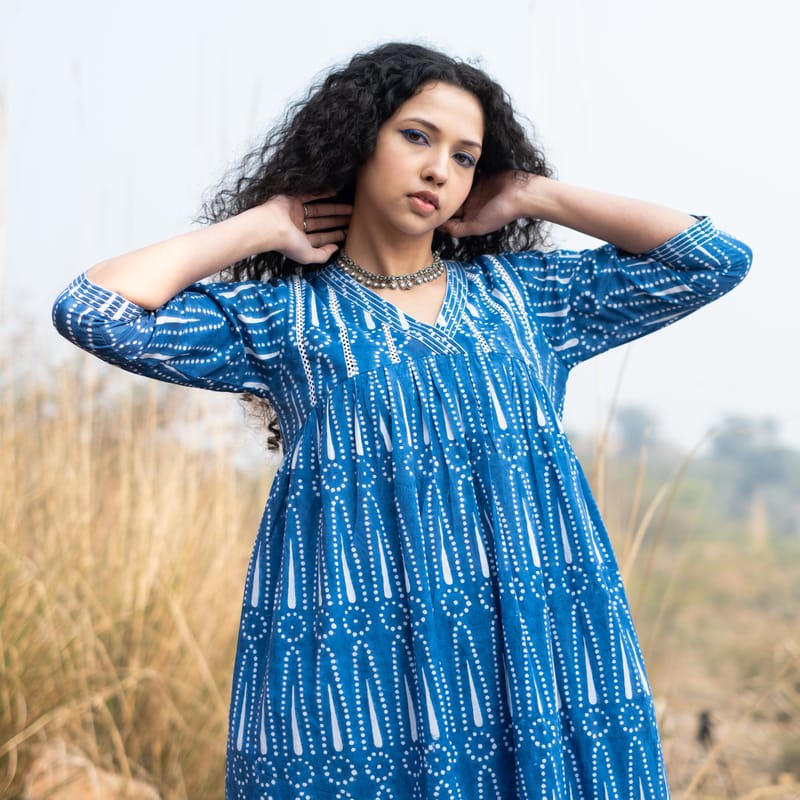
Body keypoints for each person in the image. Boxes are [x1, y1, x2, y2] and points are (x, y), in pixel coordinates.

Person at [52, 42, 751, 800]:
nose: (439, 170)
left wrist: (532, 194)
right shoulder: (287, 317)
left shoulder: (528, 299)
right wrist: (264, 225)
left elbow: (714, 258)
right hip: (362, 649)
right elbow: (94, 310)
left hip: (531, 638)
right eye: (417, 137)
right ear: (358, 139)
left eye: (465, 157)